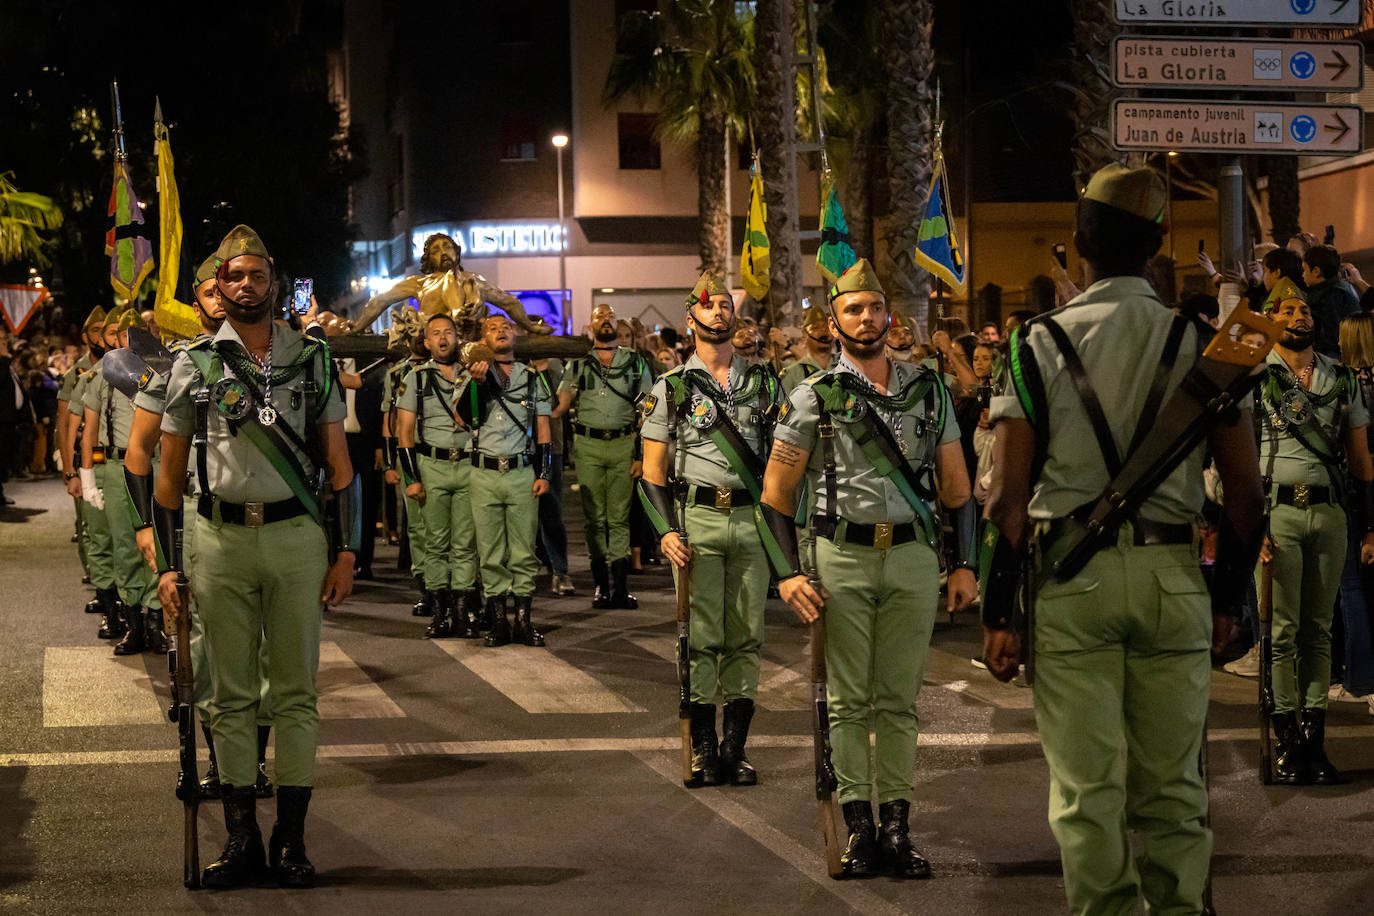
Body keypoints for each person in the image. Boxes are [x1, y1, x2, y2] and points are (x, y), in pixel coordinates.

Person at [981, 164, 1266, 914]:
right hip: (1175, 575)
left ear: (1079, 247)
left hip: (1073, 581)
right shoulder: (1208, 342)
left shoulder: (1033, 343)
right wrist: (1231, 595)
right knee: (1176, 786)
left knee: (1086, 791)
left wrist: (999, 610)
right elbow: (1244, 494)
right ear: (1159, 245)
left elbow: (1010, 499)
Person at [153, 225, 358, 888]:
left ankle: (291, 841)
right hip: (219, 541)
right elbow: (166, 476)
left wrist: (347, 550)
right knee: (231, 696)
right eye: (231, 278)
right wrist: (166, 564)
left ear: (273, 281)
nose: (244, 286)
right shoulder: (196, 365)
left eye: (255, 276)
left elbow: (340, 466)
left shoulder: (313, 362)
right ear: (218, 288)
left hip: (297, 538)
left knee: (296, 694)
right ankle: (242, 839)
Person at [759, 259, 977, 879]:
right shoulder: (812, 395)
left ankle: (899, 829)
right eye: (853, 309)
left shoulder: (928, 390)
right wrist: (787, 573)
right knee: (850, 702)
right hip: (841, 557)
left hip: (911, 557)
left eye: (875, 308)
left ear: (890, 315)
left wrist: (964, 565)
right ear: (833, 322)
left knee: (901, 700)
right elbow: (775, 496)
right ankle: (860, 829)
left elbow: (957, 488)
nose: (866, 319)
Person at [126, 252, 275, 800]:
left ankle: (252, 760)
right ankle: (217, 757)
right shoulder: (172, 367)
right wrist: (148, 527)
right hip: (189, 516)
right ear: (200, 303)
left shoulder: (273, 363)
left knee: (259, 652)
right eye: (213, 292)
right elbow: (139, 456)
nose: (225, 298)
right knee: (204, 649)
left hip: (251, 516)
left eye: (231, 286)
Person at [639, 273, 782, 789]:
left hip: (752, 521)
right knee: (701, 638)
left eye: (725, 304)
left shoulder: (764, 383)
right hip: (696, 521)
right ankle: (703, 747)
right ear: (690, 321)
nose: (718, 311)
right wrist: (664, 531)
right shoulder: (672, 387)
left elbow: (785, 461)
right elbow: (652, 472)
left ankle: (735, 748)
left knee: (747, 636)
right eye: (708, 306)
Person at [1255, 287, 1374, 783]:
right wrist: (1248, 524)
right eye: (1287, 309)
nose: (1299, 314)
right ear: (1270, 318)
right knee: (1281, 632)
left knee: (1318, 631)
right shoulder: (1256, 374)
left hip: (1328, 512)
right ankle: (1285, 744)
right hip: (1276, 512)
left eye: (1305, 308)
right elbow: (1236, 449)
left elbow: (1362, 462)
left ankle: (1313, 740)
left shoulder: (1341, 378)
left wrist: (1368, 527)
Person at [459, 315, 553, 646]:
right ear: (483, 338)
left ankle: (524, 620)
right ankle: (498, 620)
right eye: (492, 328)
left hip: (521, 472)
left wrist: (544, 473)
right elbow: (463, 419)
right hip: (483, 473)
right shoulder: (473, 374)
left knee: (525, 550)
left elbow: (544, 428)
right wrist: (476, 383)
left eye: (506, 327)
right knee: (490, 551)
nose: (501, 331)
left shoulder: (532, 378)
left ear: (515, 334)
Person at [81, 307, 167, 654]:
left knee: (158, 545)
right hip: (119, 469)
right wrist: (87, 476)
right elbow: (90, 425)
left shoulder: (164, 368)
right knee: (125, 546)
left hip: (159, 464)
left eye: (136, 331)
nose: (125, 339)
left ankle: (156, 620)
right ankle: (133, 623)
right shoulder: (104, 372)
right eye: (119, 333)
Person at [395, 313, 484, 639]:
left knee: (464, 544)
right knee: (435, 544)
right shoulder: (415, 378)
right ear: (427, 342)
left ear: (458, 338)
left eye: (449, 332)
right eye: (436, 333)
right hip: (431, 466)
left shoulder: (472, 375)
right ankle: (440, 613)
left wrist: (479, 382)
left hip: (466, 465)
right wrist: (412, 477)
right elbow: (404, 432)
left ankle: (462, 615)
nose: (444, 338)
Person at [557, 303, 651, 608]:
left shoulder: (635, 363)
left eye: (610, 316)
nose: (606, 321)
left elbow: (648, 411)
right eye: (600, 317)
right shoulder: (578, 365)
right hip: (588, 446)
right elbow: (560, 405)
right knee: (595, 518)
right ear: (590, 326)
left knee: (619, 517)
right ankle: (601, 586)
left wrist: (642, 455)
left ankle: (620, 588)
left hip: (624, 444)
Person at [346, 233, 551, 339]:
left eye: (447, 247)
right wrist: (357, 327)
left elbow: (509, 302)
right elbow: (380, 301)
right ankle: (457, 316)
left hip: (470, 345)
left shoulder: (473, 279)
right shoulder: (419, 283)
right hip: (432, 346)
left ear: (457, 252)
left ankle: (463, 316)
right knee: (453, 279)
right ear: (428, 259)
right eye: (436, 250)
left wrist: (530, 325)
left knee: (466, 281)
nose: (443, 252)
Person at [379, 306, 433, 615]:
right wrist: (389, 464)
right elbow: (389, 421)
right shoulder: (396, 373)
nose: (419, 338)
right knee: (417, 527)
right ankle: (426, 586)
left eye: (423, 332)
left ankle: (453, 586)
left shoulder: (447, 367)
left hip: (441, 452)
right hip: (408, 453)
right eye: (414, 332)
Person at [57, 307, 103, 601]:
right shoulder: (78, 373)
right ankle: (98, 581)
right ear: (86, 336)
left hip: (108, 456)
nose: (102, 336)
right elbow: (65, 423)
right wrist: (68, 467)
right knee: (88, 524)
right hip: (82, 455)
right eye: (97, 331)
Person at [1302, 244, 1359, 358]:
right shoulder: (1338, 288)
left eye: (1304, 270)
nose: (1302, 275)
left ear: (1316, 271)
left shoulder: (1332, 295)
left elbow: (1331, 337)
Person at [780, 307, 833, 394]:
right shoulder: (792, 373)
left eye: (826, 327)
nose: (823, 330)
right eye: (815, 328)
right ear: (805, 335)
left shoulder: (844, 366)